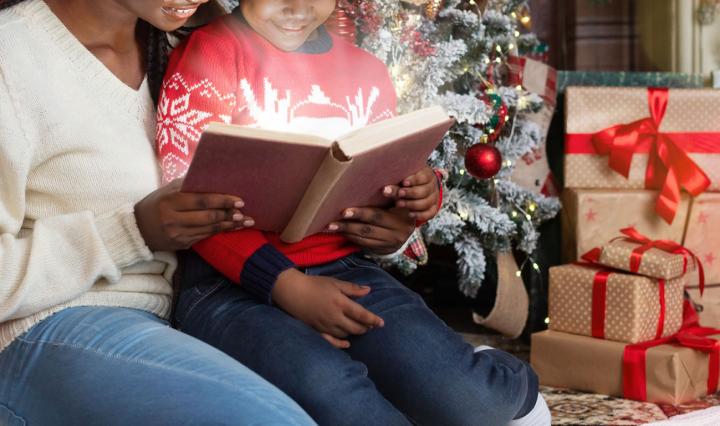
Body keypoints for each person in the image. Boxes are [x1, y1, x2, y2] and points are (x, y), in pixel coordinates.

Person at [158, 0, 550, 425]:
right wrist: (285, 287)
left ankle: (494, 376)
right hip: (225, 288)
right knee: (336, 393)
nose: (296, 7)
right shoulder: (211, 53)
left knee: (472, 398)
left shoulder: (367, 72)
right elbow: (193, 207)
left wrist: (419, 196)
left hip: (346, 273)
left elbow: (386, 173)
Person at [0, 0, 319, 424]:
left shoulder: (206, 41)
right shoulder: (14, 56)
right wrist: (133, 231)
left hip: (209, 307)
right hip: (54, 326)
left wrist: (376, 211)